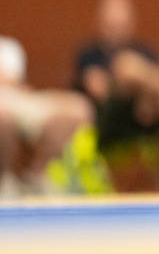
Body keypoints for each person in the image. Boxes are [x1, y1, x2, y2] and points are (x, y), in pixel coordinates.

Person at [75, 0, 159, 188]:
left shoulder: (144, 51)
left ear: (131, 23)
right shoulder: (89, 54)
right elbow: (99, 91)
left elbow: (150, 102)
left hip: (142, 117)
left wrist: (146, 96)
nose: (117, 26)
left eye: (121, 21)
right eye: (111, 21)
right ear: (100, 22)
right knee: (126, 65)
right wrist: (131, 83)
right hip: (109, 121)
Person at [0, 36, 94, 196]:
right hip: (4, 107)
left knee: (79, 108)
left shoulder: (9, 47)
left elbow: (14, 83)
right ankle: (4, 180)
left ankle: (35, 178)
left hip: (17, 98)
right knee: (4, 116)